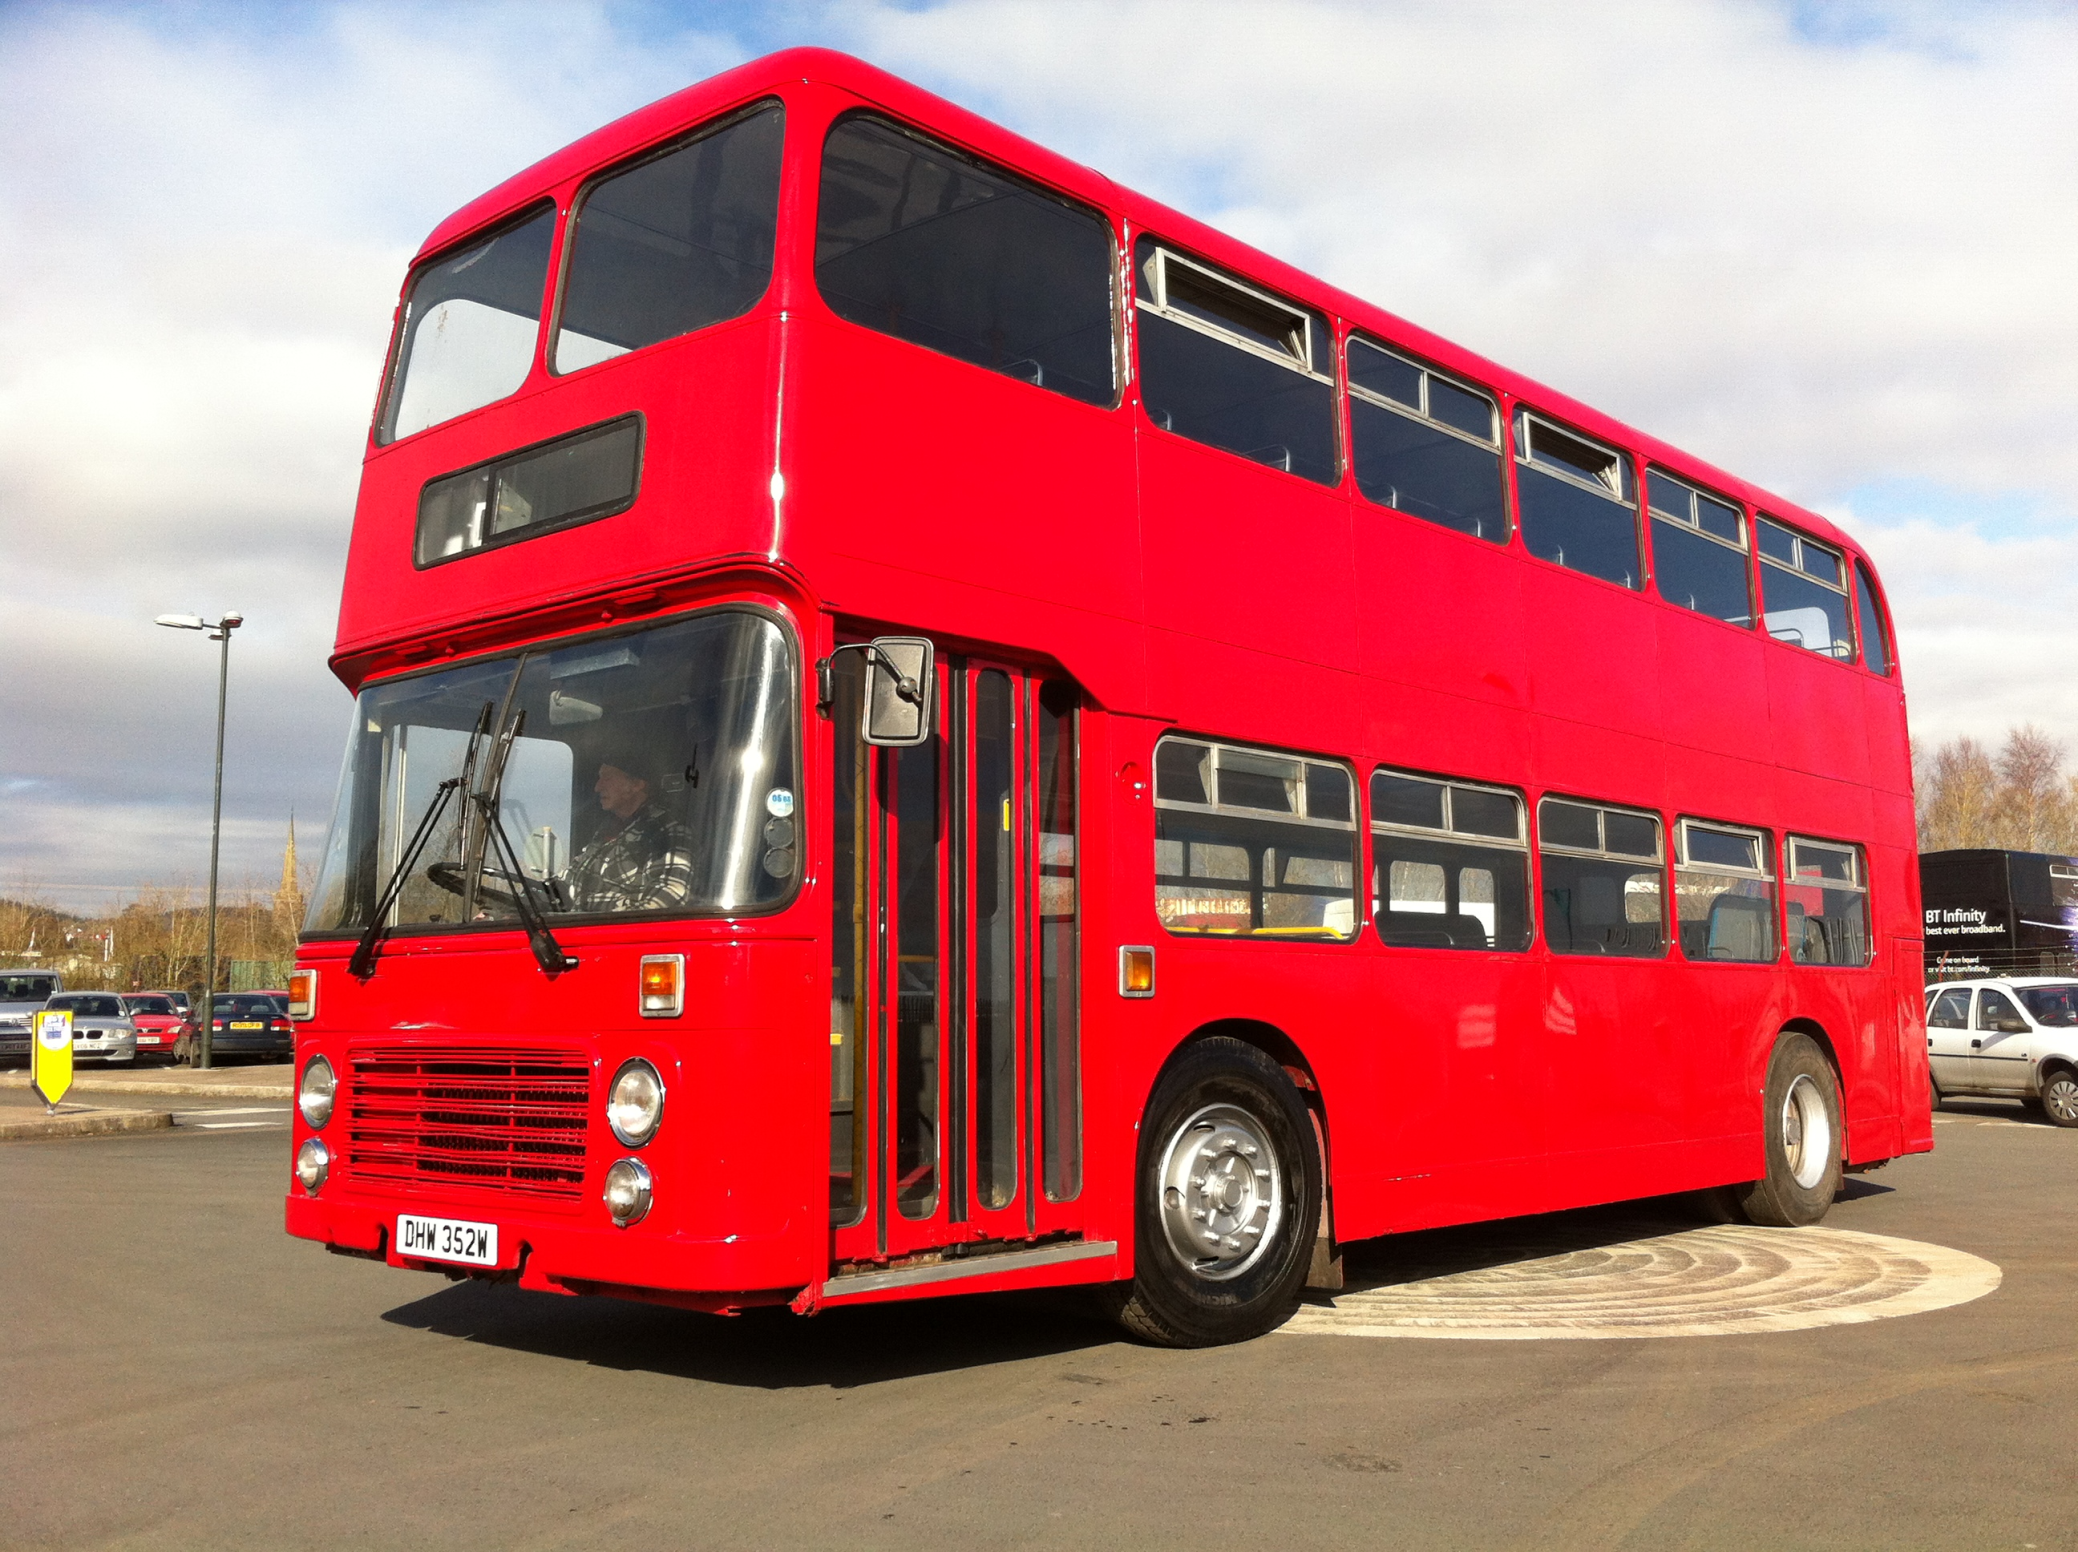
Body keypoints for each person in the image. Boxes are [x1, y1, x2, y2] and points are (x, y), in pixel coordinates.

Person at [565, 753, 697, 912]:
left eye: (607, 778)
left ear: (636, 785)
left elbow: (665, 901)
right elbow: (571, 878)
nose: (597, 787)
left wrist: (587, 903)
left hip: (617, 927)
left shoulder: (668, 829)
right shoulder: (607, 828)